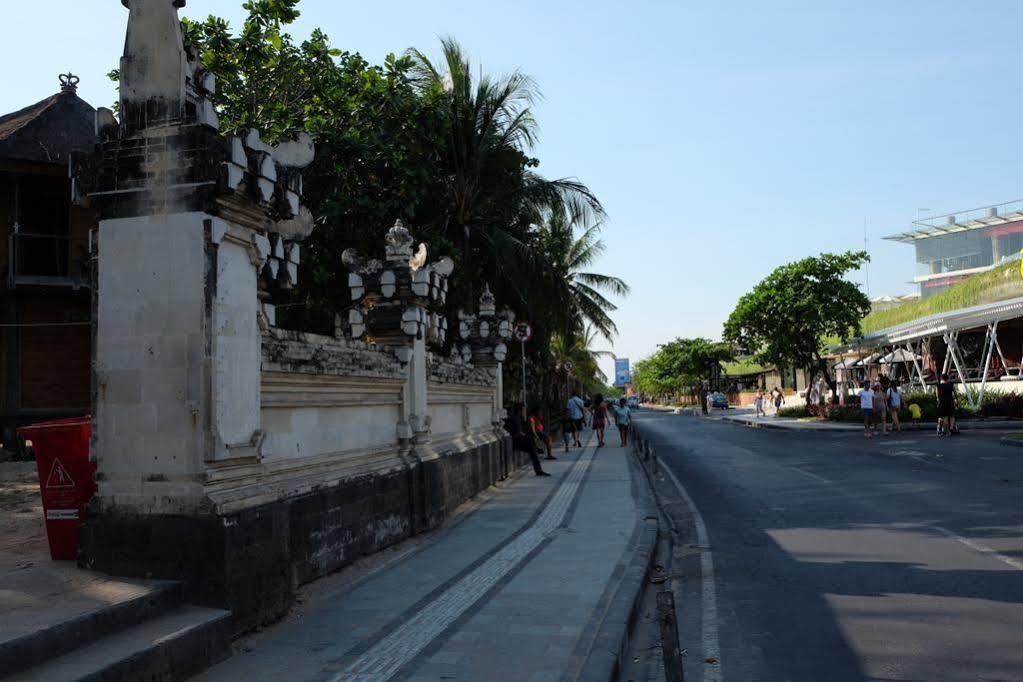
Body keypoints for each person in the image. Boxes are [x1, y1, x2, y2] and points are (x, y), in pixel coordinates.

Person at [505, 403, 549, 476]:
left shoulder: (520, 417)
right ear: (519, 410)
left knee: (533, 446)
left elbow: (525, 428)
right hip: (516, 441)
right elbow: (519, 432)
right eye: (523, 410)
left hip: (520, 439)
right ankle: (538, 469)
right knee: (532, 447)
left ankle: (538, 468)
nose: (524, 412)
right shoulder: (516, 419)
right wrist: (526, 435)